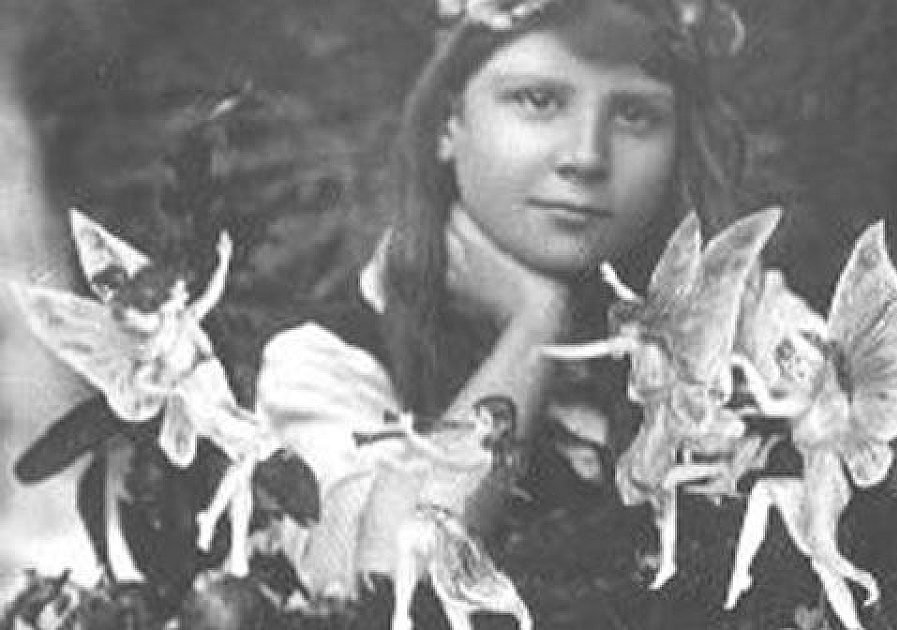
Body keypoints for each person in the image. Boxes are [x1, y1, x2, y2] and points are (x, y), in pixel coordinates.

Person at [253, 0, 749, 611]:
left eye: (635, 114)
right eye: (538, 100)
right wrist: (534, 329)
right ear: (447, 122)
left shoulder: (741, 332)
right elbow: (389, 583)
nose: (586, 157)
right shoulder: (325, 362)